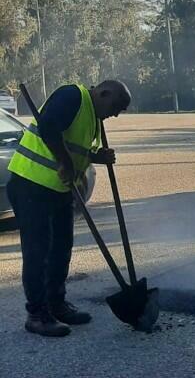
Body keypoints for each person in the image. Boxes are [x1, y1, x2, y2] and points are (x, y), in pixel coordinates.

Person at [7, 81, 130, 337]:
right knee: (38, 252)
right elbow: (48, 127)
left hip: (59, 190)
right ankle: (37, 315)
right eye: (115, 107)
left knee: (61, 248)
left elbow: (74, 146)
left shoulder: (93, 116)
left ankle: (56, 303)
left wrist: (97, 156)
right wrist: (64, 162)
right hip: (31, 185)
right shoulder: (72, 95)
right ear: (104, 93)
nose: (115, 114)